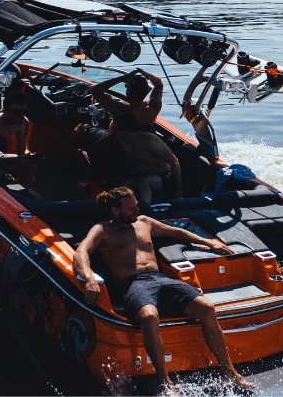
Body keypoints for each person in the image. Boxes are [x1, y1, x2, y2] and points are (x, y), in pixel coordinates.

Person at [73, 187, 255, 392]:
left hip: (160, 279)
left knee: (206, 308)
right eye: (131, 207)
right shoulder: (102, 229)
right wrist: (89, 278)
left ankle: (229, 372)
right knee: (150, 316)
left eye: (136, 205)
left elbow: (177, 231)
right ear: (116, 211)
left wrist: (208, 242)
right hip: (132, 285)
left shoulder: (145, 222)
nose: (137, 209)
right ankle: (165, 382)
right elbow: (80, 253)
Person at [91, 70, 182, 202]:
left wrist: (123, 78)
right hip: (142, 158)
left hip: (129, 157)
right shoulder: (153, 107)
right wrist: (147, 74)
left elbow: (96, 90)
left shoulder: (119, 109)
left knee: (93, 139)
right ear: (146, 91)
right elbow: (159, 84)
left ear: (128, 92)